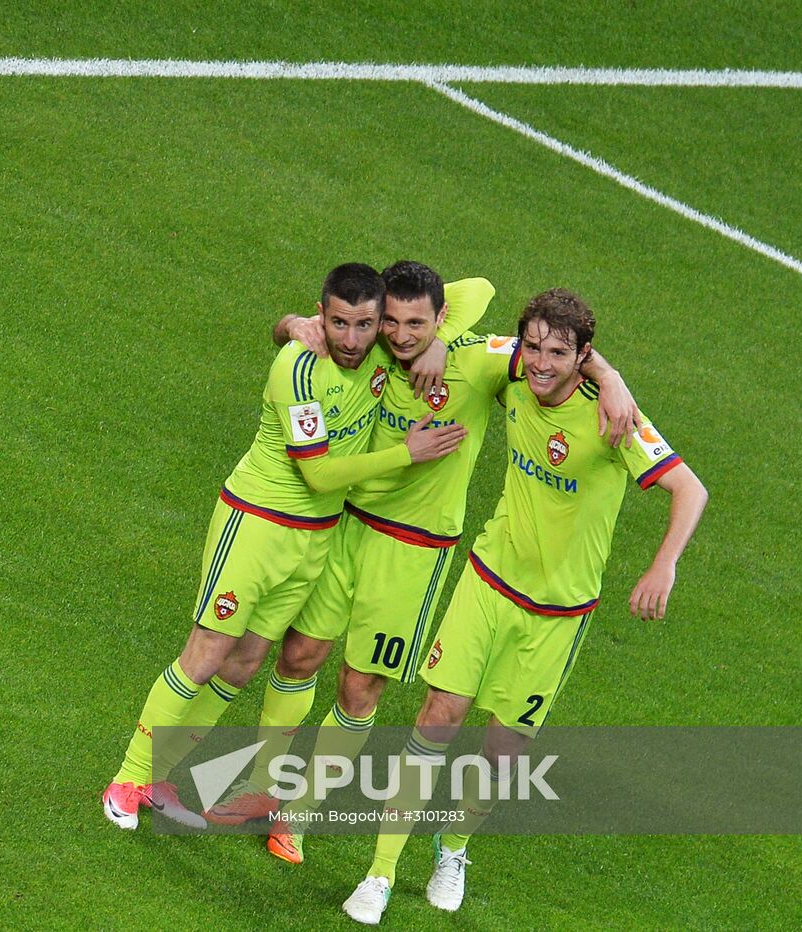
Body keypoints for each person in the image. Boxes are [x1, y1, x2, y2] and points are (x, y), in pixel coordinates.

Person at [215, 263, 636, 865]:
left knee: (359, 685)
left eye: (420, 322)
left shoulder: (484, 360)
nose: (402, 333)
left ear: (441, 318)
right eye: (392, 319)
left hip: (415, 551)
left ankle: (299, 816)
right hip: (349, 523)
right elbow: (291, 335)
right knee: (298, 655)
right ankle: (259, 787)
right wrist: (293, 323)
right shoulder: (370, 346)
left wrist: (610, 376)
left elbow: (532, 333)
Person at [340, 289, 708, 925]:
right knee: (437, 716)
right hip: (488, 582)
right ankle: (378, 873)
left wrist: (663, 564)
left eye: (558, 353)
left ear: (582, 356)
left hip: (558, 616)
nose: (540, 363)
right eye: (532, 347)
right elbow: (439, 343)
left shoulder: (613, 417)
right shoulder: (514, 369)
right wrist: (424, 343)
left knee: (502, 754)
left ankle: (451, 850)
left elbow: (689, 488)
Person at [102, 263, 478, 831]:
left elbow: (473, 293)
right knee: (206, 653)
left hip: (315, 541)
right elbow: (320, 475)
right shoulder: (299, 366)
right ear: (321, 317)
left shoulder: (381, 349)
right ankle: (125, 780)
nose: (352, 340)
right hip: (257, 525)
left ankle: (160, 775)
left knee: (246, 663)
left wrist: (441, 342)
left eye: (365, 325)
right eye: (339, 323)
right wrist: (409, 452)